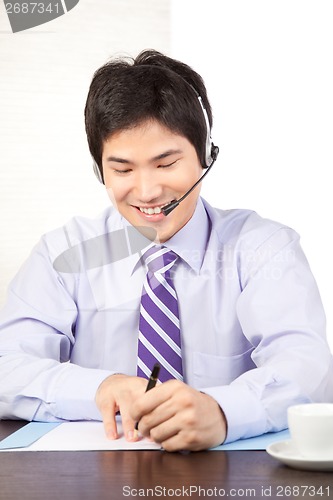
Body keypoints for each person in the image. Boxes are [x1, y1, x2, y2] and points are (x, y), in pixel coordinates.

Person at [0, 50, 332, 452]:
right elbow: (7, 369)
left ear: (206, 157)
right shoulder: (65, 253)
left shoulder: (262, 247)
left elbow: (307, 366)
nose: (146, 192)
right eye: (122, 170)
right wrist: (100, 387)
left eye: (165, 163)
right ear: (99, 170)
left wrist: (224, 411)